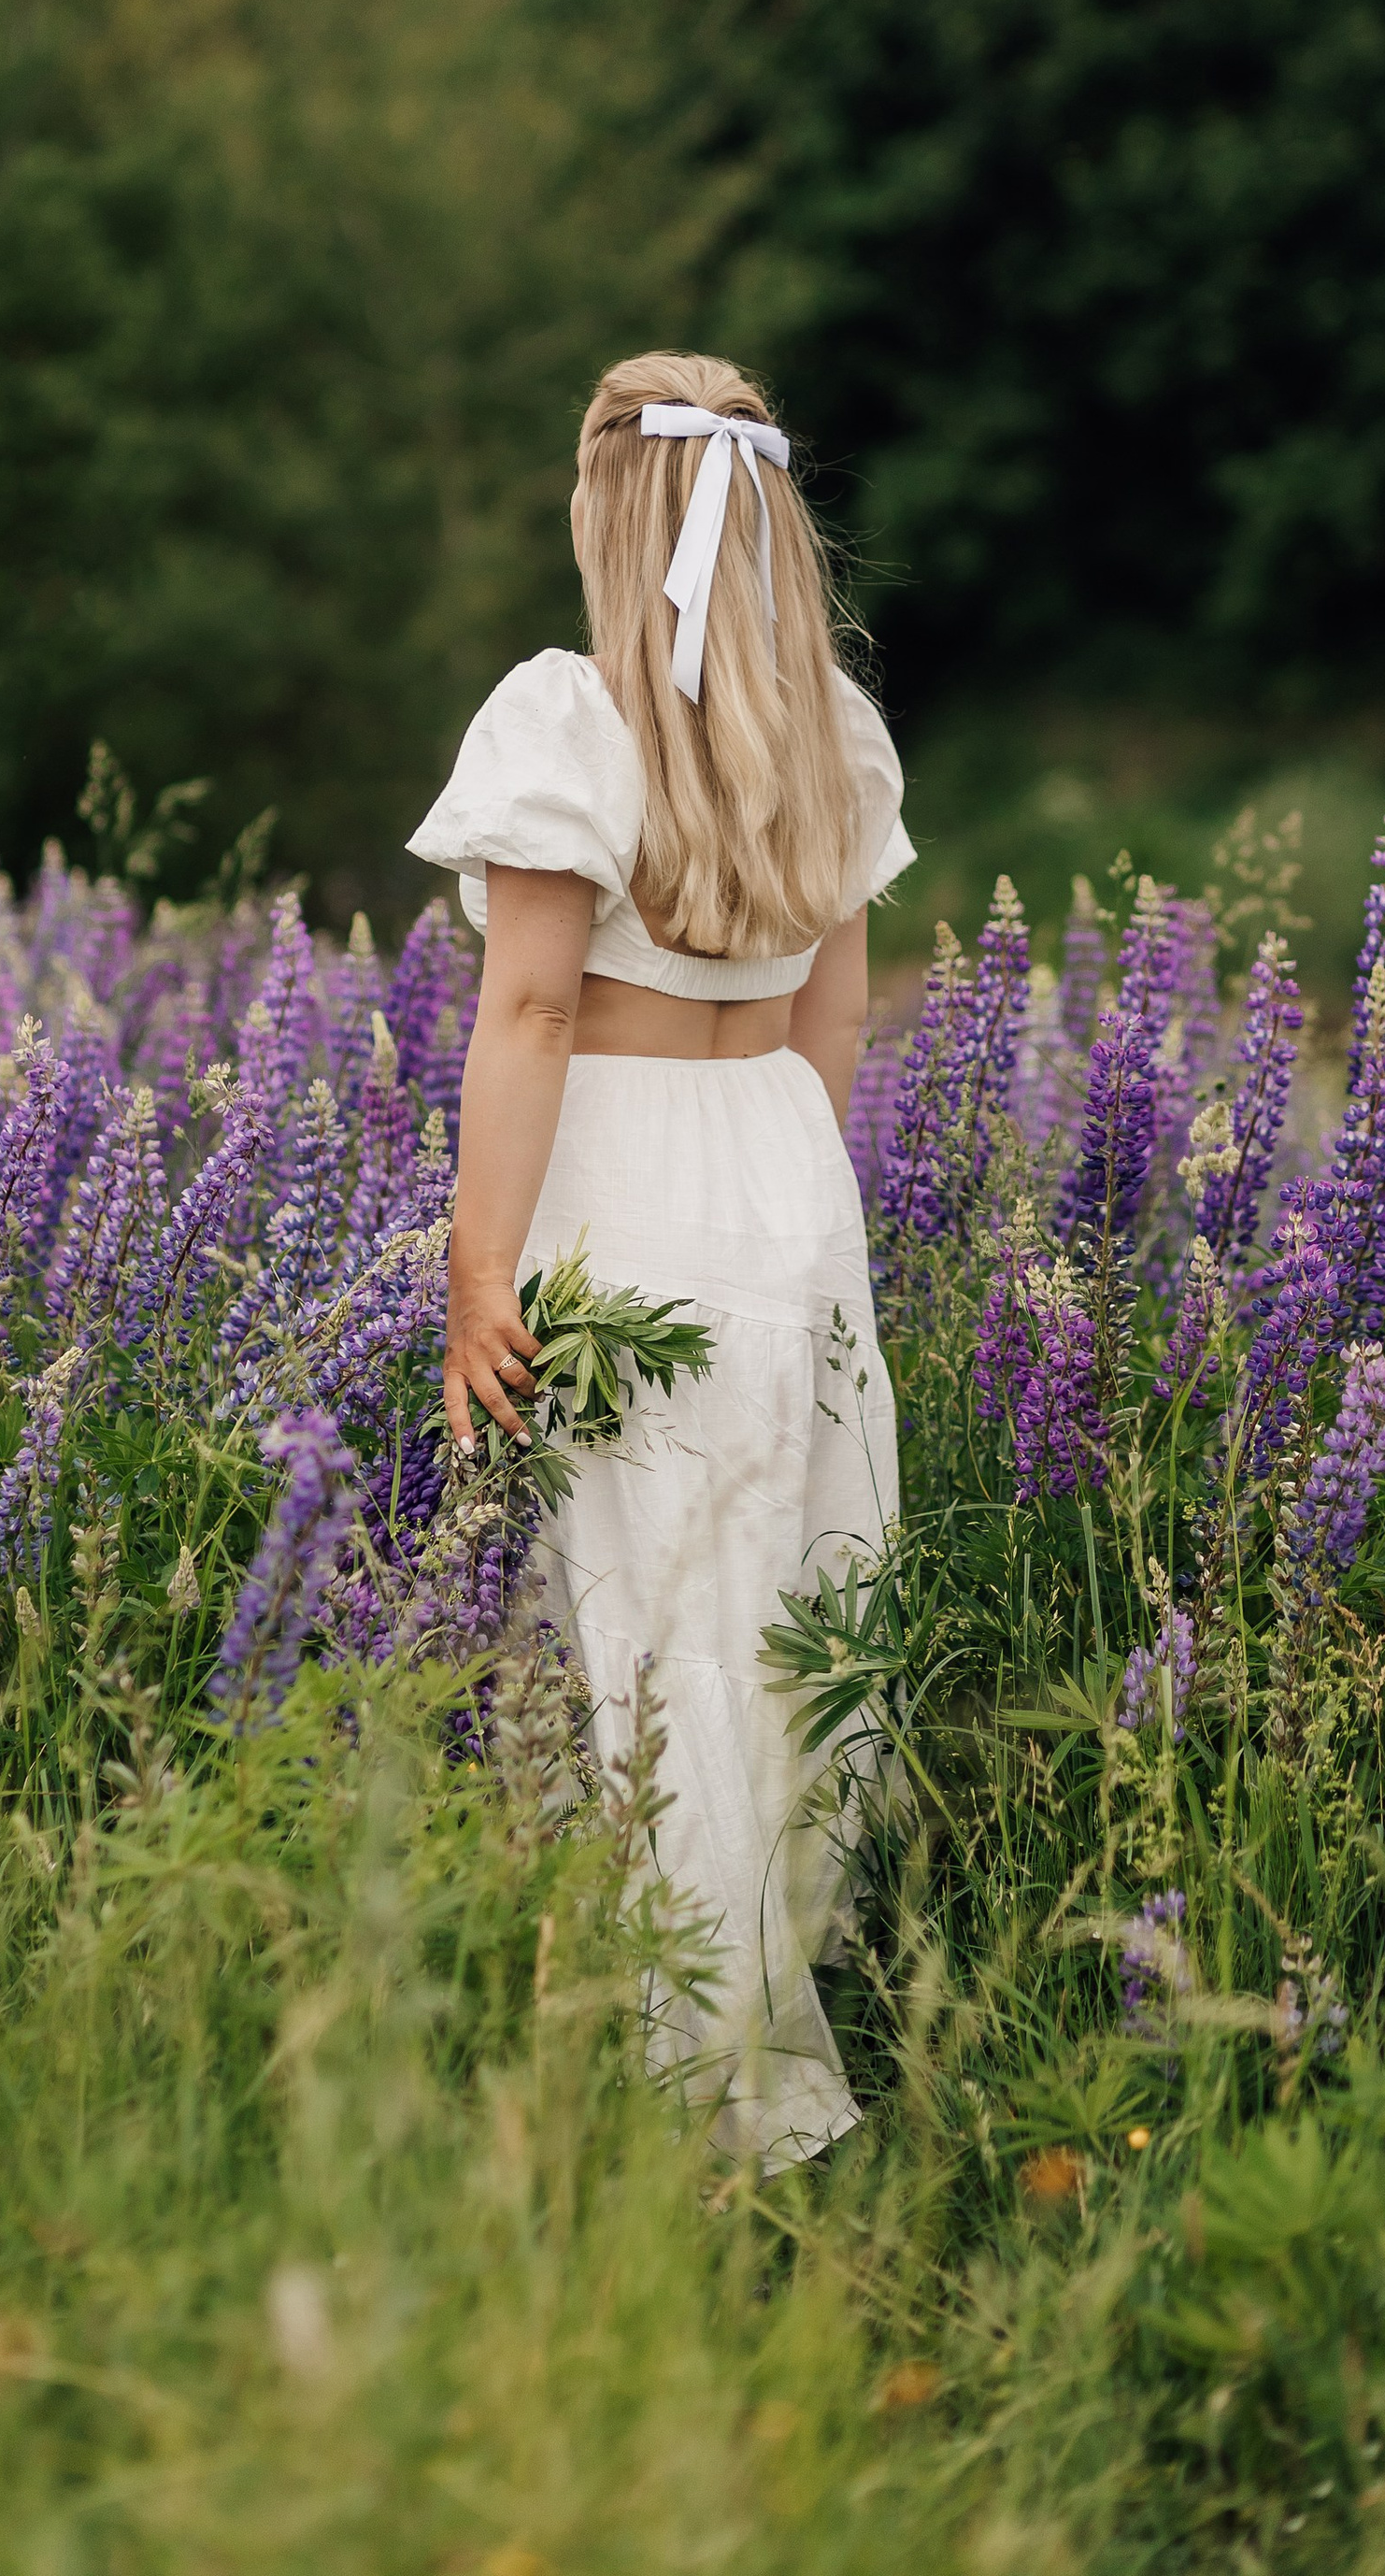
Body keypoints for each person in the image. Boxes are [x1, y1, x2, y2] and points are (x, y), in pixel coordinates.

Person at [407, 349, 912, 2165]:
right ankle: (764, 1992)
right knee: (778, 1604)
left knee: (643, 1624)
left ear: (604, 512)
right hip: (783, 1167)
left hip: (618, 1174)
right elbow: (834, 1016)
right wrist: (787, 1207)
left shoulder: (567, 718)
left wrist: (479, 1271)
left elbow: (532, 1012)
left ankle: (697, 2090)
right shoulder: (831, 732)